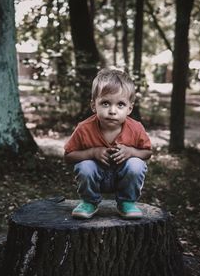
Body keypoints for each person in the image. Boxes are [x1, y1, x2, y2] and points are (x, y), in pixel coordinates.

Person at [64, 68, 152, 219]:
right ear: (93, 105)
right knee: (84, 165)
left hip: (123, 178)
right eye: (105, 103)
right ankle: (89, 202)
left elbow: (147, 152)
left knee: (137, 164)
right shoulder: (84, 129)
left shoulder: (135, 128)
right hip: (95, 178)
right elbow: (68, 156)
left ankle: (127, 202)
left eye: (120, 105)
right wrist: (91, 153)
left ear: (130, 108)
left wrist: (131, 152)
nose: (112, 111)